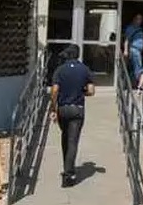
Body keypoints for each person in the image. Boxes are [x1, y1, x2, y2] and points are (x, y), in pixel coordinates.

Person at [49, 45, 95, 188]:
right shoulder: (85, 69)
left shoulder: (60, 69)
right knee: (73, 141)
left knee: (65, 137)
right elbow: (91, 91)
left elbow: (55, 90)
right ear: (78, 55)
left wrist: (53, 108)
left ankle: (66, 167)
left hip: (63, 109)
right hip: (77, 110)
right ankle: (69, 175)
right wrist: (82, 93)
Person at [123, 13, 143, 80]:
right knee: (138, 67)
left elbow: (142, 40)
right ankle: (138, 84)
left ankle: (136, 82)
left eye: (141, 19)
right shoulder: (130, 28)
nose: (140, 21)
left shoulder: (140, 29)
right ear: (134, 19)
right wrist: (126, 50)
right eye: (138, 19)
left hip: (139, 50)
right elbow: (127, 39)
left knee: (137, 67)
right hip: (134, 50)